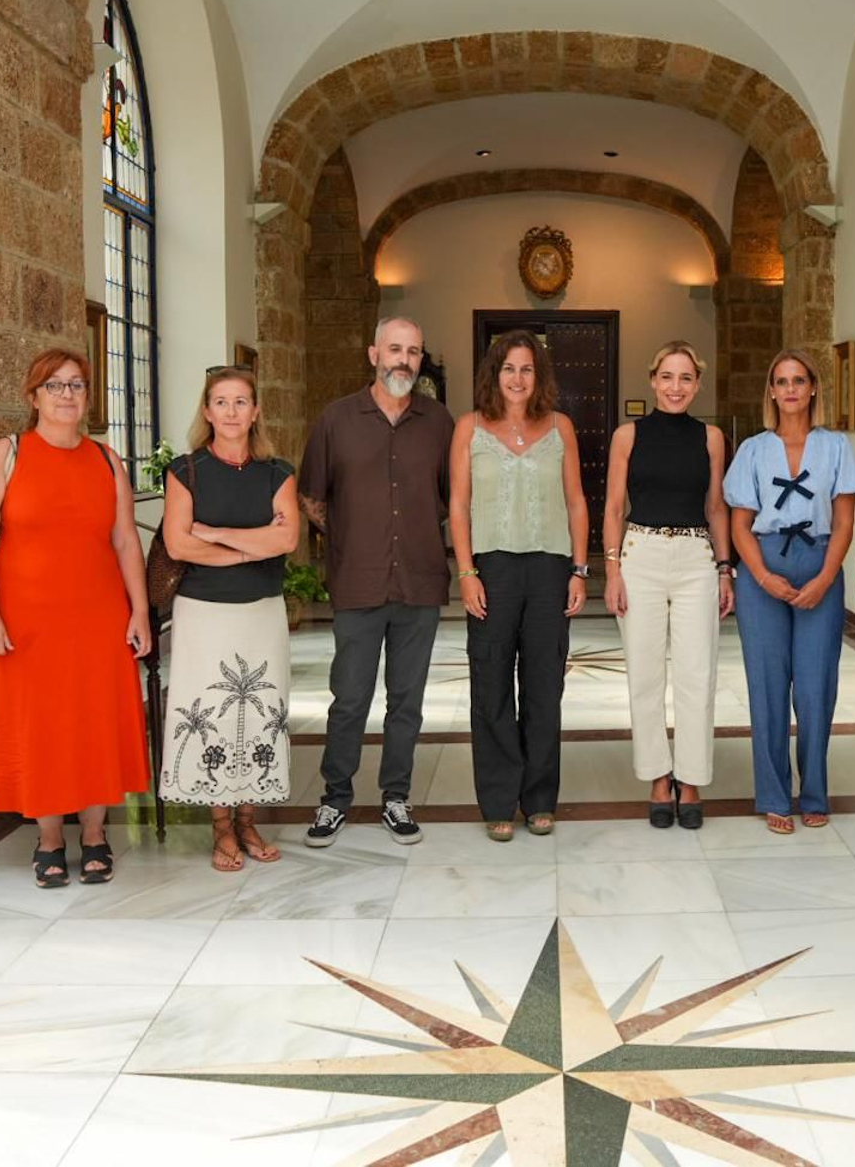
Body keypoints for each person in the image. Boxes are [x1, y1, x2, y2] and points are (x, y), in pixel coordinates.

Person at [0, 348, 150, 887]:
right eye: (55, 386)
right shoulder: (6, 455)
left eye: (77, 385)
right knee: (40, 726)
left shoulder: (105, 460)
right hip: (26, 624)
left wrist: (138, 609)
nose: (67, 395)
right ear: (33, 397)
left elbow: (125, 540)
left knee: (94, 722)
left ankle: (95, 835)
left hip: (97, 618)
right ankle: (48, 839)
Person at [299, 316, 453, 848]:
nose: (403, 360)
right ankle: (334, 798)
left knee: (406, 700)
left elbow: (451, 499)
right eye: (394, 349)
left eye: (413, 351)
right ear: (373, 354)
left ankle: (395, 796)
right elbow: (313, 499)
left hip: (419, 581)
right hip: (357, 582)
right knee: (349, 698)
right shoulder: (336, 419)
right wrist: (354, 535)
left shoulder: (439, 422)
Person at [448, 330, 588, 841]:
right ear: (494, 373)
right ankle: (499, 799)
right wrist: (465, 573)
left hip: (550, 569)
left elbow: (575, 501)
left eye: (527, 369)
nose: (518, 378)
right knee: (490, 684)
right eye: (509, 368)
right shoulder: (469, 429)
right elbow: (458, 507)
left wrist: (579, 569)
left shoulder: (560, 428)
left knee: (544, 686)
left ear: (539, 376)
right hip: (492, 570)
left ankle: (540, 798)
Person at [157, 367, 299, 871]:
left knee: (260, 710)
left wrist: (215, 533)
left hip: (262, 611)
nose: (232, 412)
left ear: (255, 410)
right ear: (207, 410)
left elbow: (285, 541)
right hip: (204, 612)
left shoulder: (277, 472)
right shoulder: (185, 471)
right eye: (222, 402)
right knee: (212, 713)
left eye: (242, 402)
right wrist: (250, 546)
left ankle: (248, 817)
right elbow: (178, 544)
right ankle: (222, 826)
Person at [724, 349, 855, 835]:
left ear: (812, 390)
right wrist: (761, 576)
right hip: (763, 568)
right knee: (766, 687)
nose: (789, 389)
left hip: (819, 564)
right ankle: (772, 794)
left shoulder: (836, 447)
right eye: (780, 381)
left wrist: (825, 579)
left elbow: (845, 521)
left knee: (814, 688)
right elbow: (739, 524)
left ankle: (814, 793)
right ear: (771, 391)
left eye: (798, 381)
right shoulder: (752, 450)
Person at [601, 340, 735, 830]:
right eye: (667, 377)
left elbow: (716, 507)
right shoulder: (627, 436)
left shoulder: (712, 438)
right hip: (641, 554)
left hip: (697, 557)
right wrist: (612, 570)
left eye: (686, 379)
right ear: (653, 380)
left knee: (698, 673)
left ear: (696, 385)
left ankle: (692, 776)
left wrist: (725, 567)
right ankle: (659, 776)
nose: (676, 387)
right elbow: (614, 508)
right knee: (645, 673)